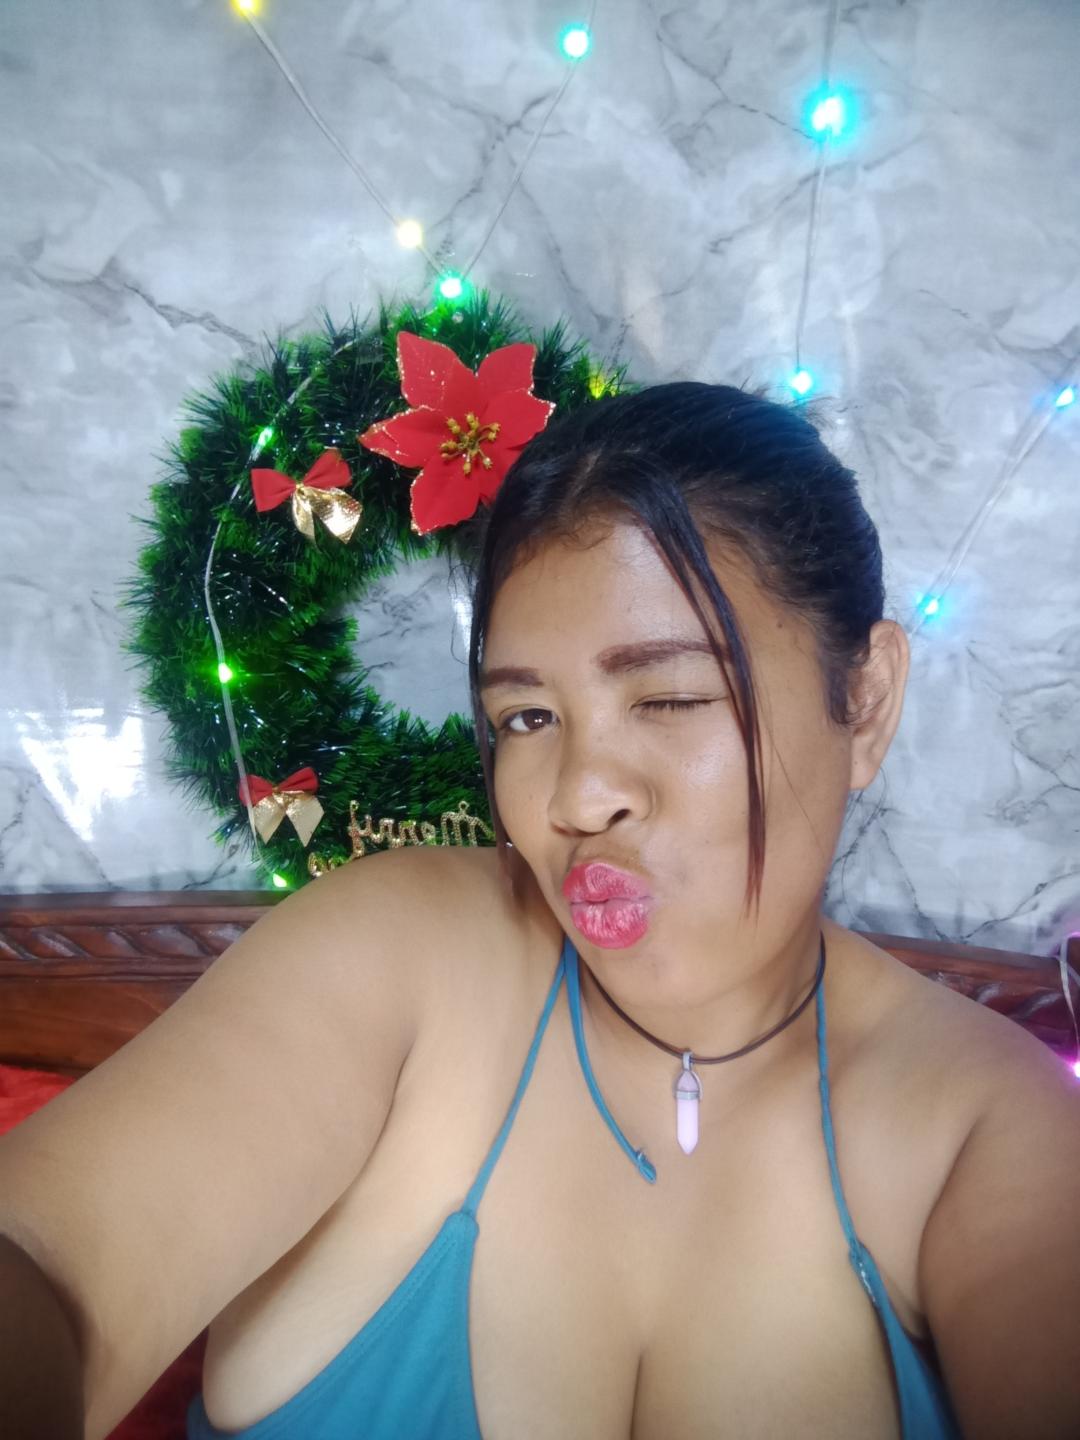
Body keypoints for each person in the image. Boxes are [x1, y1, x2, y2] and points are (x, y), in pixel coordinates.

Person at [2, 382, 1079, 1440]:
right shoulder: (397, 954)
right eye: (525, 717)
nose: (575, 798)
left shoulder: (984, 1124)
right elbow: (49, 1263)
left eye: (669, 697)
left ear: (867, 700)